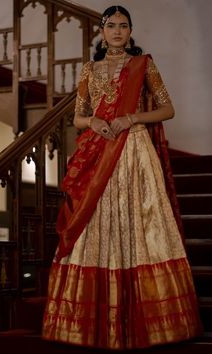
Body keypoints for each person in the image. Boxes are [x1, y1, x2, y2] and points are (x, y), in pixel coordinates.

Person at [42, 5, 202, 350]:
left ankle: (144, 317)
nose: (117, 31)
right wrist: (95, 123)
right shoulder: (90, 68)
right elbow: (78, 117)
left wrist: (131, 118)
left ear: (130, 31)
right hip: (98, 152)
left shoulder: (143, 65)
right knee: (96, 226)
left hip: (134, 152)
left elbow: (167, 108)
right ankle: (95, 321)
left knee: (138, 224)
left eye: (123, 26)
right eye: (111, 25)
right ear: (102, 31)